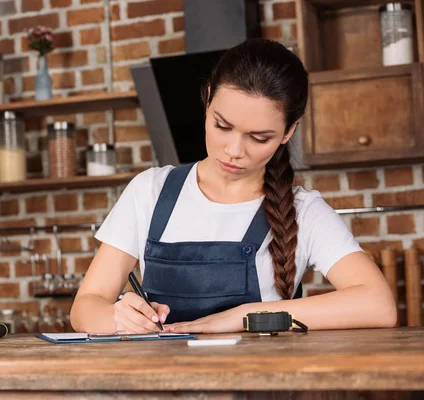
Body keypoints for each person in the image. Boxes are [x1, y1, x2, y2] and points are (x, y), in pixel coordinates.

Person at [70, 39, 397, 334]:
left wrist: (243, 315)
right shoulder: (149, 192)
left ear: (288, 131)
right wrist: (118, 317)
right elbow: (86, 306)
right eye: (222, 126)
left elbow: (378, 305)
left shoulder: (304, 211)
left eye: (259, 138)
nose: (234, 150)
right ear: (207, 98)